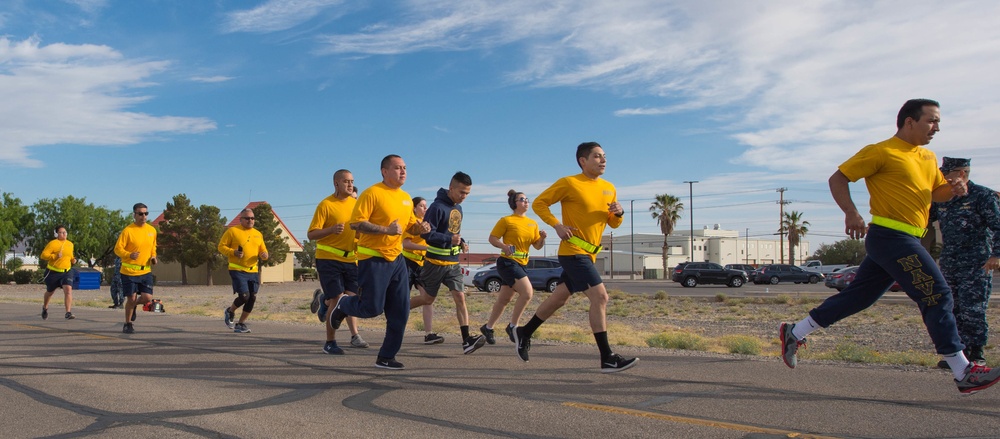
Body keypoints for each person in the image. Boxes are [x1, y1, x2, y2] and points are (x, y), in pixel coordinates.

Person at [779, 99, 1000, 394]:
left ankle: (796, 331)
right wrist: (851, 213)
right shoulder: (881, 151)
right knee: (937, 293)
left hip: (907, 237)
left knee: (859, 297)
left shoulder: (927, 157)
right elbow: (838, 178)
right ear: (909, 122)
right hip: (890, 236)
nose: (937, 127)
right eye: (931, 121)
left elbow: (937, 193)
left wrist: (955, 189)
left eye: (938, 122)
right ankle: (963, 370)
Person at [516, 142, 638, 373]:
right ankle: (607, 357)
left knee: (559, 298)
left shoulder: (609, 188)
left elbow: (612, 222)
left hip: (589, 254)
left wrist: (619, 214)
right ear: (583, 161)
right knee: (600, 297)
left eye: (604, 156)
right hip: (573, 252)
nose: (603, 160)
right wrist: (557, 225)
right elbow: (541, 203)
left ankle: (524, 332)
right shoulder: (569, 183)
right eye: (597, 156)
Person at [329, 155, 430, 369]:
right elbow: (356, 224)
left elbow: (410, 227)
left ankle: (386, 356)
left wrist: (420, 228)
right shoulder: (372, 193)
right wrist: (387, 230)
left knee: (400, 311)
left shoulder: (405, 198)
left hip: (397, 260)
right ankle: (343, 304)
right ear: (384, 171)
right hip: (372, 258)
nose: (403, 171)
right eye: (397, 168)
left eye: (404, 168)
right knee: (372, 308)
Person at [930, 157, 1000, 367]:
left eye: (947, 173)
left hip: (977, 262)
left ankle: (976, 353)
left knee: (973, 308)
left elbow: (998, 226)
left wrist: (996, 254)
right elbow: (922, 217)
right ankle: (959, 355)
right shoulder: (943, 197)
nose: (942, 177)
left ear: (961, 174)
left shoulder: (983, 196)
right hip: (950, 261)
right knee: (952, 308)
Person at [408, 171, 487, 354]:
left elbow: (454, 233)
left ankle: (467, 340)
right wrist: (448, 239)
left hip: (452, 263)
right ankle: (398, 309)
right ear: (451, 187)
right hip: (434, 262)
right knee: (427, 299)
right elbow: (426, 234)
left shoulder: (458, 209)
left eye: (467, 193)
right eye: (461, 192)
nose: (464, 196)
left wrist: (462, 242)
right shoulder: (436, 207)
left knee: (460, 298)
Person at [306, 169, 368, 354]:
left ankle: (324, 302)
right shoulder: (326, 205)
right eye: (346, 181)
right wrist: (331, 230)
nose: (350, 185)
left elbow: (359, 232)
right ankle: (330, 342)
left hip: (351, 260)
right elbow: (311, 234)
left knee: (351, 299)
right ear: (336, 183)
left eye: (352, 181)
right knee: (338, 298)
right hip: (328, 259)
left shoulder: (356, 205)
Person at [482, 190, 547, 344]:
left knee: (504, 299)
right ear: (514, 203)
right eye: (522, 199)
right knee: (527, 293)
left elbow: (537, 246)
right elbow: (492, 238)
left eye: (527, 199)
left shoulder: (533, 223)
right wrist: (504, 246)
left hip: (523, 264)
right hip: (507, 263)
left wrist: (542, 238)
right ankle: (513, 326)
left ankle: (488, 327)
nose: (526, 202)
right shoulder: (506, 220)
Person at [218, 208, 269, 334]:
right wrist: (233, 252)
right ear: (241, 219)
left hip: (253, 270)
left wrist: (264, 255)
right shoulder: (233, 231)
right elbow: (221, 246)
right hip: (237, 269)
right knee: (245, 296)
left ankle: (240, 324)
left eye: (252, 218)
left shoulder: (258, 234)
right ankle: (230, 311)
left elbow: (264, 251)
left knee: (252, 298)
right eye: (247, 218)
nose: (250, 220)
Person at [402, 196, 445, 345]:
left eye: (426, 206)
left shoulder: (429, 224)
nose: (425, 209)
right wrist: (425, 248)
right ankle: (396, 329)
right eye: (422, 206)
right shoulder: (412, 223)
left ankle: (429, 334)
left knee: (428, 297)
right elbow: (405, 244)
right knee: (402, 297)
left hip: (423, 265)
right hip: (407, 263)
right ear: (414, 208)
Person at [114, 203, 158, 334]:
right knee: (131, 299)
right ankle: (128, 323)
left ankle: (133, 307)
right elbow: (118, 249)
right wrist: (128, 254)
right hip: (129, 272)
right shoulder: (128, 231)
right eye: (140, 214)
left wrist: (154, 257)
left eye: (145, 213)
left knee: (147, 298)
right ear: (134, 215)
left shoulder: (152, 230)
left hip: (145, 271)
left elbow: (153, 247)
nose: (143, 216)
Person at [40, 225, 77, 320]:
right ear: (56, 234)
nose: (63, 234)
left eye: (65, 232)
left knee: (68, 290)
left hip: (67, 271)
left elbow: (70, 256)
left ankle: (68, 312)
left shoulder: (70, 244)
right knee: (50, 292)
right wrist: (55, 256)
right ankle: (45, 307)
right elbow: (43, 255)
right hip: (53, 272)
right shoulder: (53, 243)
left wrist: (73, 260)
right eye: (61, 232)